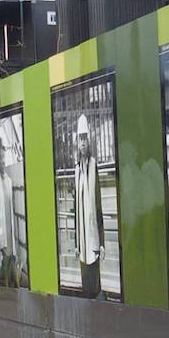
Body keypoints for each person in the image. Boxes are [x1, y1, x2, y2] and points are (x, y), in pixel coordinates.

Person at [74, 114, 105, 299]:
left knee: (95, 285)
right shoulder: (76, 169)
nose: (83, 142)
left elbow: (99, 205)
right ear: (77, 142)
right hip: (82, 242)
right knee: (85, 286)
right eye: (80, 138)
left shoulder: (94, 166)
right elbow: (75, 210)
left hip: (93, 240)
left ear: (89, 140)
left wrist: (101, 243)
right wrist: (76, 243)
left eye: (85, 138)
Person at [0, 137, 19, 287]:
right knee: (6, 260)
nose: (2, 161)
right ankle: (8, 288)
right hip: (3, 233)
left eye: (4, 157)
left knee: (12, 260)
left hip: (11, 230)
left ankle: (14, 287)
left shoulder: (9, 181)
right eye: (0, 157)